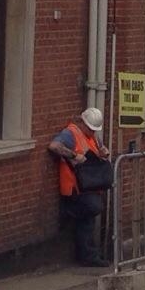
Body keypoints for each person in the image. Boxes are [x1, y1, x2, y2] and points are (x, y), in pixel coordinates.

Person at [48, 107, 109, 266]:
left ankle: (89, 254)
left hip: (88, 185)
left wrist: (103, 153)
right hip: (74, 187)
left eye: (94, 129)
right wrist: (74, 155)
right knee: (92, 209)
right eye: (90, 128)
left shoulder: (94, 137)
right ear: (82, 123)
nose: (92, 132)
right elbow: (54, 146)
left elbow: (98, 152)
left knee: (88, 219)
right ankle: (69, 215)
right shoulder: (70, 133)